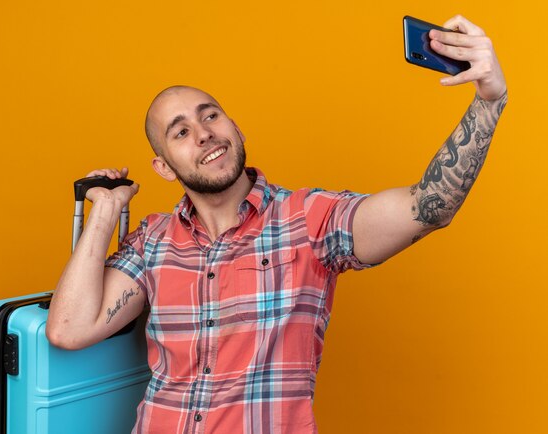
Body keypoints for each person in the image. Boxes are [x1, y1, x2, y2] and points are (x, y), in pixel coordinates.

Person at [46, 15, 507, 434]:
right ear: (164, 168)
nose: (204, 132)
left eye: (211, 115)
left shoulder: (310, 220)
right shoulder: (152, 241)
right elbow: (68, 328)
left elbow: (427, 207)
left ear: (236, 129)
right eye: (181, 131)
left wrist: (489, 100)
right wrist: (105, 210)